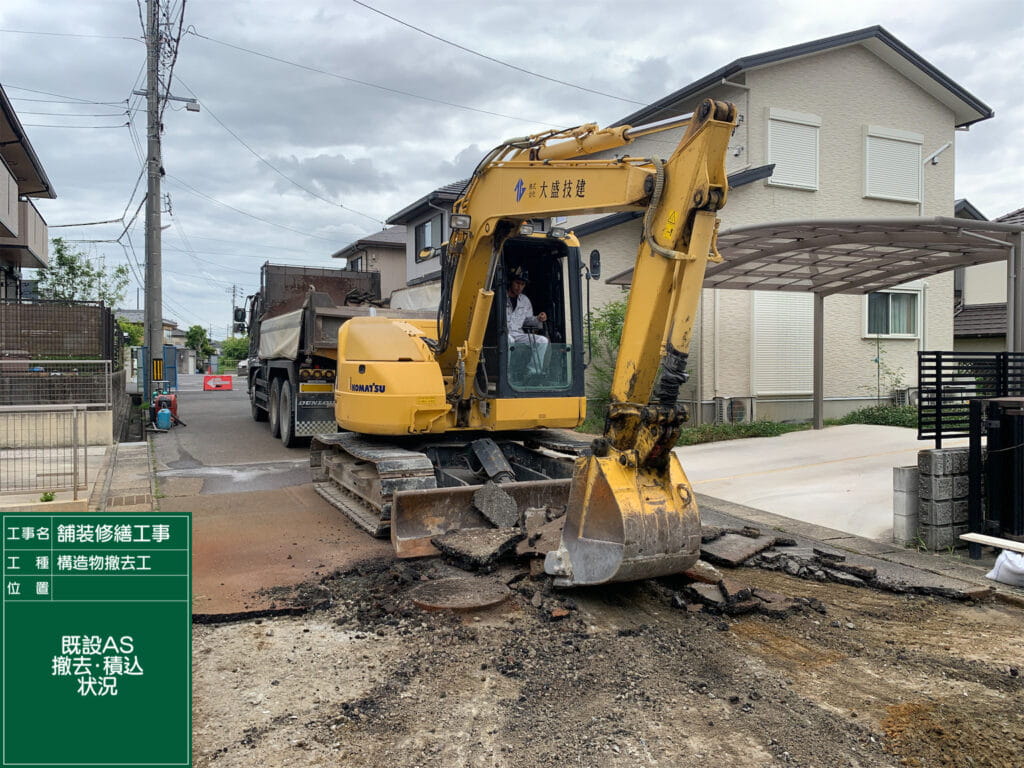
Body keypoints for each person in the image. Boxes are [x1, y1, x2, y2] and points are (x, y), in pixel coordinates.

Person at [505, 267, 548, 375]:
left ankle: (533, 372)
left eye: (522, 284)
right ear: (511, 282)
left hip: (518, 334)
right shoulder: (500, 297)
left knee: (542, 341)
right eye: (517, 283)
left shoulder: (524, 300)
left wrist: (538, 318)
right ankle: (506, 372)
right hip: (503, 333)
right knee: (509, 340)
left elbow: (528, 321)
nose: (519, 287)